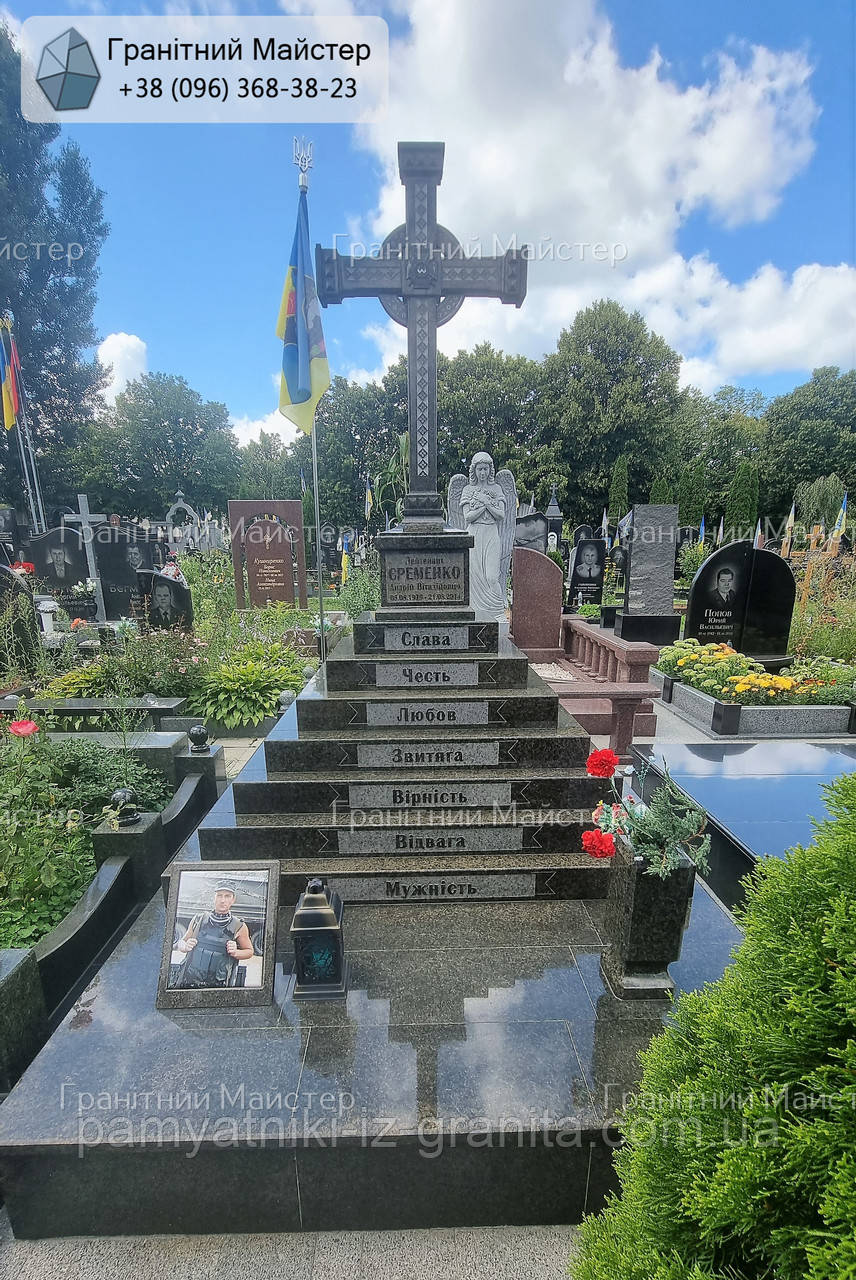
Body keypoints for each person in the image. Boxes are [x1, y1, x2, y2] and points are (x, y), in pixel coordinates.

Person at [173, 884, 254, 989]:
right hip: (191, 980)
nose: (223, 900)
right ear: (214, 898)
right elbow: (181, 942)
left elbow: (249, 951)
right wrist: (185, 946)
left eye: (227, 896)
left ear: (233, 900)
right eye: (219, 895)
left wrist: (236, 952)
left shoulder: (239, 926)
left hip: (218, 985)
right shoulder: (199, 919)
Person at [460, 452, 507, 617]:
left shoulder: (497, 489)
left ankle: (497, 612)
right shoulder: (467, 490)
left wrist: (485, 502)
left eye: (485, 469)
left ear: (490, 470)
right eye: (479, 469)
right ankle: (476, 612)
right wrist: (484, 506)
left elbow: (500, 515)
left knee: (492, 576)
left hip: (491, 533)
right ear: (474, 470)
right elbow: (468, 517)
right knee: (474, 576)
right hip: (474, 535)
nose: (482, 473)